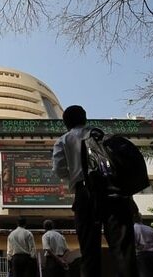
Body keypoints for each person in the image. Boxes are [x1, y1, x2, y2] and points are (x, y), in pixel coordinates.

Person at [52, 105, 137, 277]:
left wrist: (76, 176)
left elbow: (59, 170)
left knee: (89, 249)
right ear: (85, 118)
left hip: (85, 193)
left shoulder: (64, 140)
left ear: (66, 123)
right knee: (123, 248)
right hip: (115, 193)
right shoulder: (105, 136)